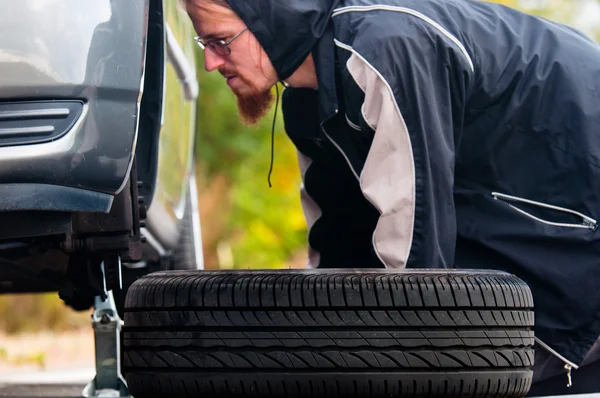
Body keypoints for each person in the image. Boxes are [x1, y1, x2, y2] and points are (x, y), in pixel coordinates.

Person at [184, 0, 600, 394]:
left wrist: (404, 360)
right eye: (205, 44)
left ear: (269, 18)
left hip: (570, 217)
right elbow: (339, 241)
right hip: (508, 202)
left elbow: (418, 251)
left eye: (221, 41)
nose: (210, 63)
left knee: (462, 360)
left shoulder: (385, 49)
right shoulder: (307, 97)